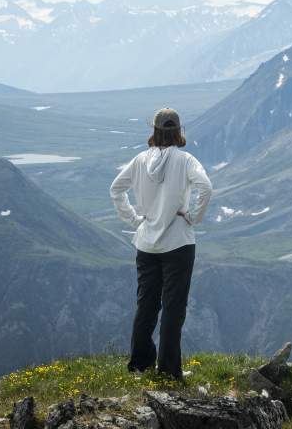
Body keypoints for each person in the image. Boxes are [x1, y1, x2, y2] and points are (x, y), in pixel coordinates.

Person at [109, 107, 212, 379]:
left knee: (146, 305)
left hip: (146, 243)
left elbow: (116, 189)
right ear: (178, 131)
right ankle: (168, 371)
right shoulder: (186, 160)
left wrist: (134, 219)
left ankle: (140, 366)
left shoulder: (140, 161)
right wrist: (192, 217)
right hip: (178, 243)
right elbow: (206, 187)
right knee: (173, 308)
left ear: (154, 130)